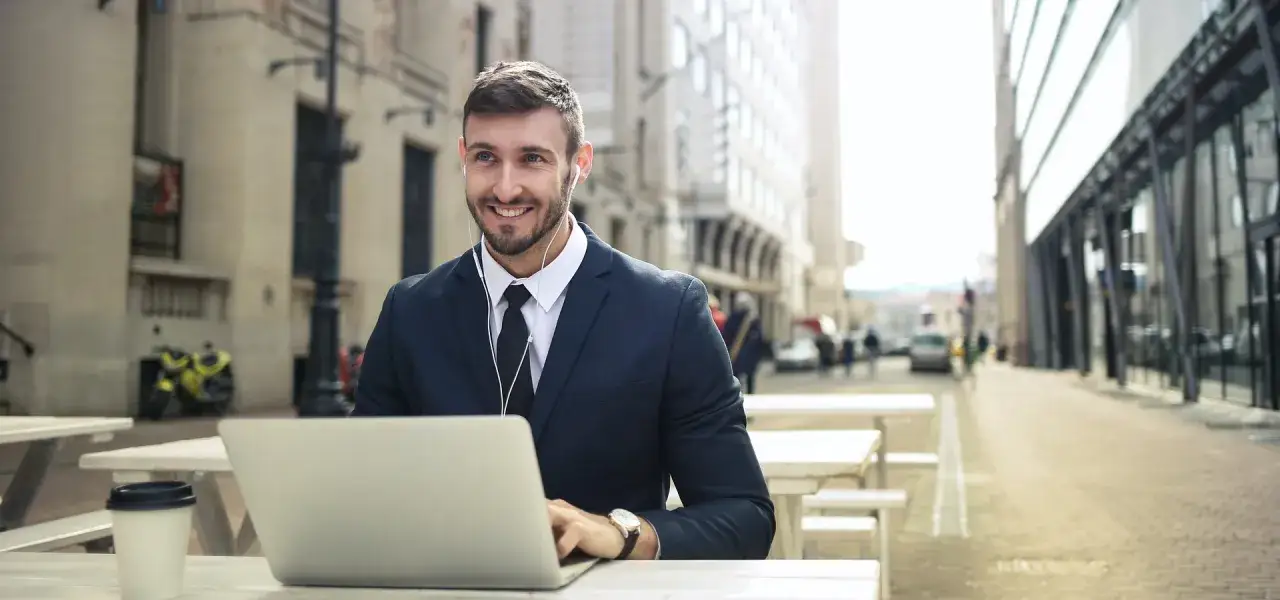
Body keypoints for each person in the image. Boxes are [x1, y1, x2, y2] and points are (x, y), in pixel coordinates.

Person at [352, 61, 774, 561]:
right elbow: (364, 492)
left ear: (580, 164)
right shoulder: (410, 310)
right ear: (463, 158)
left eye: (533, 159)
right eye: (486, 157)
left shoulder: (668, 310)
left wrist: (619, 532)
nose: (505, 189)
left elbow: (743, 516)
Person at [720, 292, 764, 394]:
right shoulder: (739, 317)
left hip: (743, 352)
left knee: (744, 376)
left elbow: (727, 334)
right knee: (740, 376)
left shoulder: (752, 319)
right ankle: (741, 394)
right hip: (738, 351)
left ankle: (742, 394)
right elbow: (727, 334)